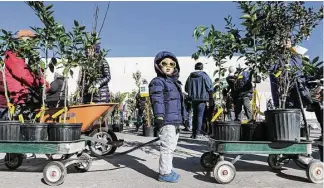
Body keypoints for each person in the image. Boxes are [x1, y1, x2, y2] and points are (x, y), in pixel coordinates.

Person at [149, 51, 186, 183]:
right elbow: (157, 99)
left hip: (175, 120)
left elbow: (179, 103)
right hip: (166, 120)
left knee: (172, 147)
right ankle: (164, 173)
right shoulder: (158, 82)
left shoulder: (175, 83)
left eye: (172, 63)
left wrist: (184, 118)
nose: (168, 66)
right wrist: (159, 116)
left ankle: (168, 168)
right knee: (167, 147)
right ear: (158, 66)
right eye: (164, 63)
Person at [4, 29, 49, 119]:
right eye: (30, 40)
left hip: (30, 96)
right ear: (21, 41)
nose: (33, 43)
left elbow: (36, 73)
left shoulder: (29, 56)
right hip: (22, 97)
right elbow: (23, 74)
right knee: (24, 125)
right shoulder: (13, 55)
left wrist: (43, 83)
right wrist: (42, 84)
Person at [185, 62, 213, 139]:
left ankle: (193, 134)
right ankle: (198, 133)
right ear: (202, 67)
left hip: (193, 99)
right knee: (200, 116)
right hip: (202, 99)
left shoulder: (190, 76)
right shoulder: (204, 76)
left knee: (194, 115)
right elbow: (210, 87)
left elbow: (186, 88)